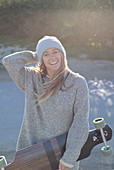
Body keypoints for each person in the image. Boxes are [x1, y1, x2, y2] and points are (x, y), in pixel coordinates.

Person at [2, 36, 89, 170]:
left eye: (55, 52)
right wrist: (36, 54)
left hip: (62, 154)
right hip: (32, 153)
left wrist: (69, 157)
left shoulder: (78, 83)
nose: (52, 58)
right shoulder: (30, 78)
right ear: (41, 58)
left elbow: (81, 122)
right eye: (46, 54)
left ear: (62, 54)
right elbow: (9, 61)